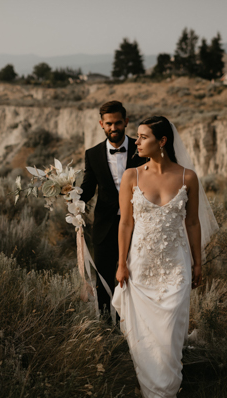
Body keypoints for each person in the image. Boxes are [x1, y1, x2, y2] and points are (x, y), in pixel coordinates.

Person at [112, 116, 218, 398]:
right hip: (141, 267)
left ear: (162, 141)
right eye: (137, 137)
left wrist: (199, 263)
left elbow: (193, 223)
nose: (137, 142)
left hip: (176, 267)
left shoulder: (188, 177)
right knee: (145, 336)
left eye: (143, 137)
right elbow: (126, 223)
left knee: (170, 336)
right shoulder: (131, 176)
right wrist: (121, 263)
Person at [80, 101, 148, 324]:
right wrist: (69, 194)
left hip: (139, 226)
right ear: (101, 124)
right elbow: (88, 189)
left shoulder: (143, 151)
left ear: (126, 122)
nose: (114, 127)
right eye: (109, 123)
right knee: (104, 281)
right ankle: (104, 328)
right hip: (104, 228)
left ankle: (128, 327)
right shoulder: (92, 155)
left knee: (134, 278)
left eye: (118, 122)